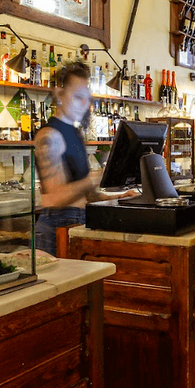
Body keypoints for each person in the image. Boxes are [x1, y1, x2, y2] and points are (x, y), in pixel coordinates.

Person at [34, 63, 134, 256]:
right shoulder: (49, 135)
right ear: (59, 94)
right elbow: (55, 197)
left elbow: (87, 196)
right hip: (56, 227)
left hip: (78, 221)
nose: (84, 104)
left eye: (86, 99)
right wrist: (94, 178)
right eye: (77, 97)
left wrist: (118, 198)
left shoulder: (75, 133)